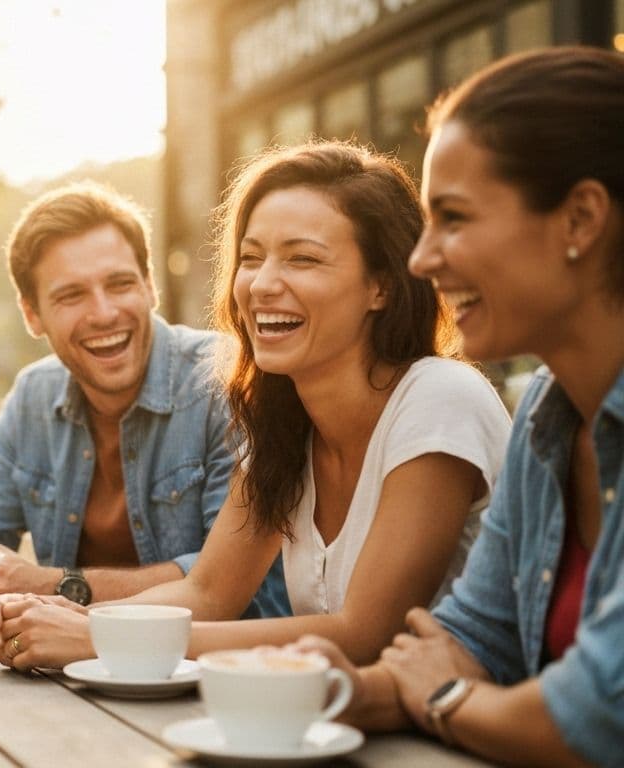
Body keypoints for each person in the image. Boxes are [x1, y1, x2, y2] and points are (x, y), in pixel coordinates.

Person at [0, 142, 511, 672]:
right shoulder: (279, 424)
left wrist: (95, 635)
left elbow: (362, 633)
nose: (261, 284)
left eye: (302, 258)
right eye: (251, 258)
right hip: (332, 725)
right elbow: (209, 593)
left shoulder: (440, 400)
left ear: (382, 286)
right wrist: (53, 613)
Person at [290, 47, 624, 767]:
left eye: (454, 218)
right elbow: (473, 639)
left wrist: (446, 700)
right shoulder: (547, 414)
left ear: (581, 219)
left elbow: (596, 716)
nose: (421, 257)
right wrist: (344, 687)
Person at [0, 182, 289, 619]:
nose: (104, 313)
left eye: (119, 284)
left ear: (150, 286)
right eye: (71, 295)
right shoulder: (34, 395)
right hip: (63, 670)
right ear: (32, 314)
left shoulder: (228, 378)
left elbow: (234, 585)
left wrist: (51, 585)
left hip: (214, 671)